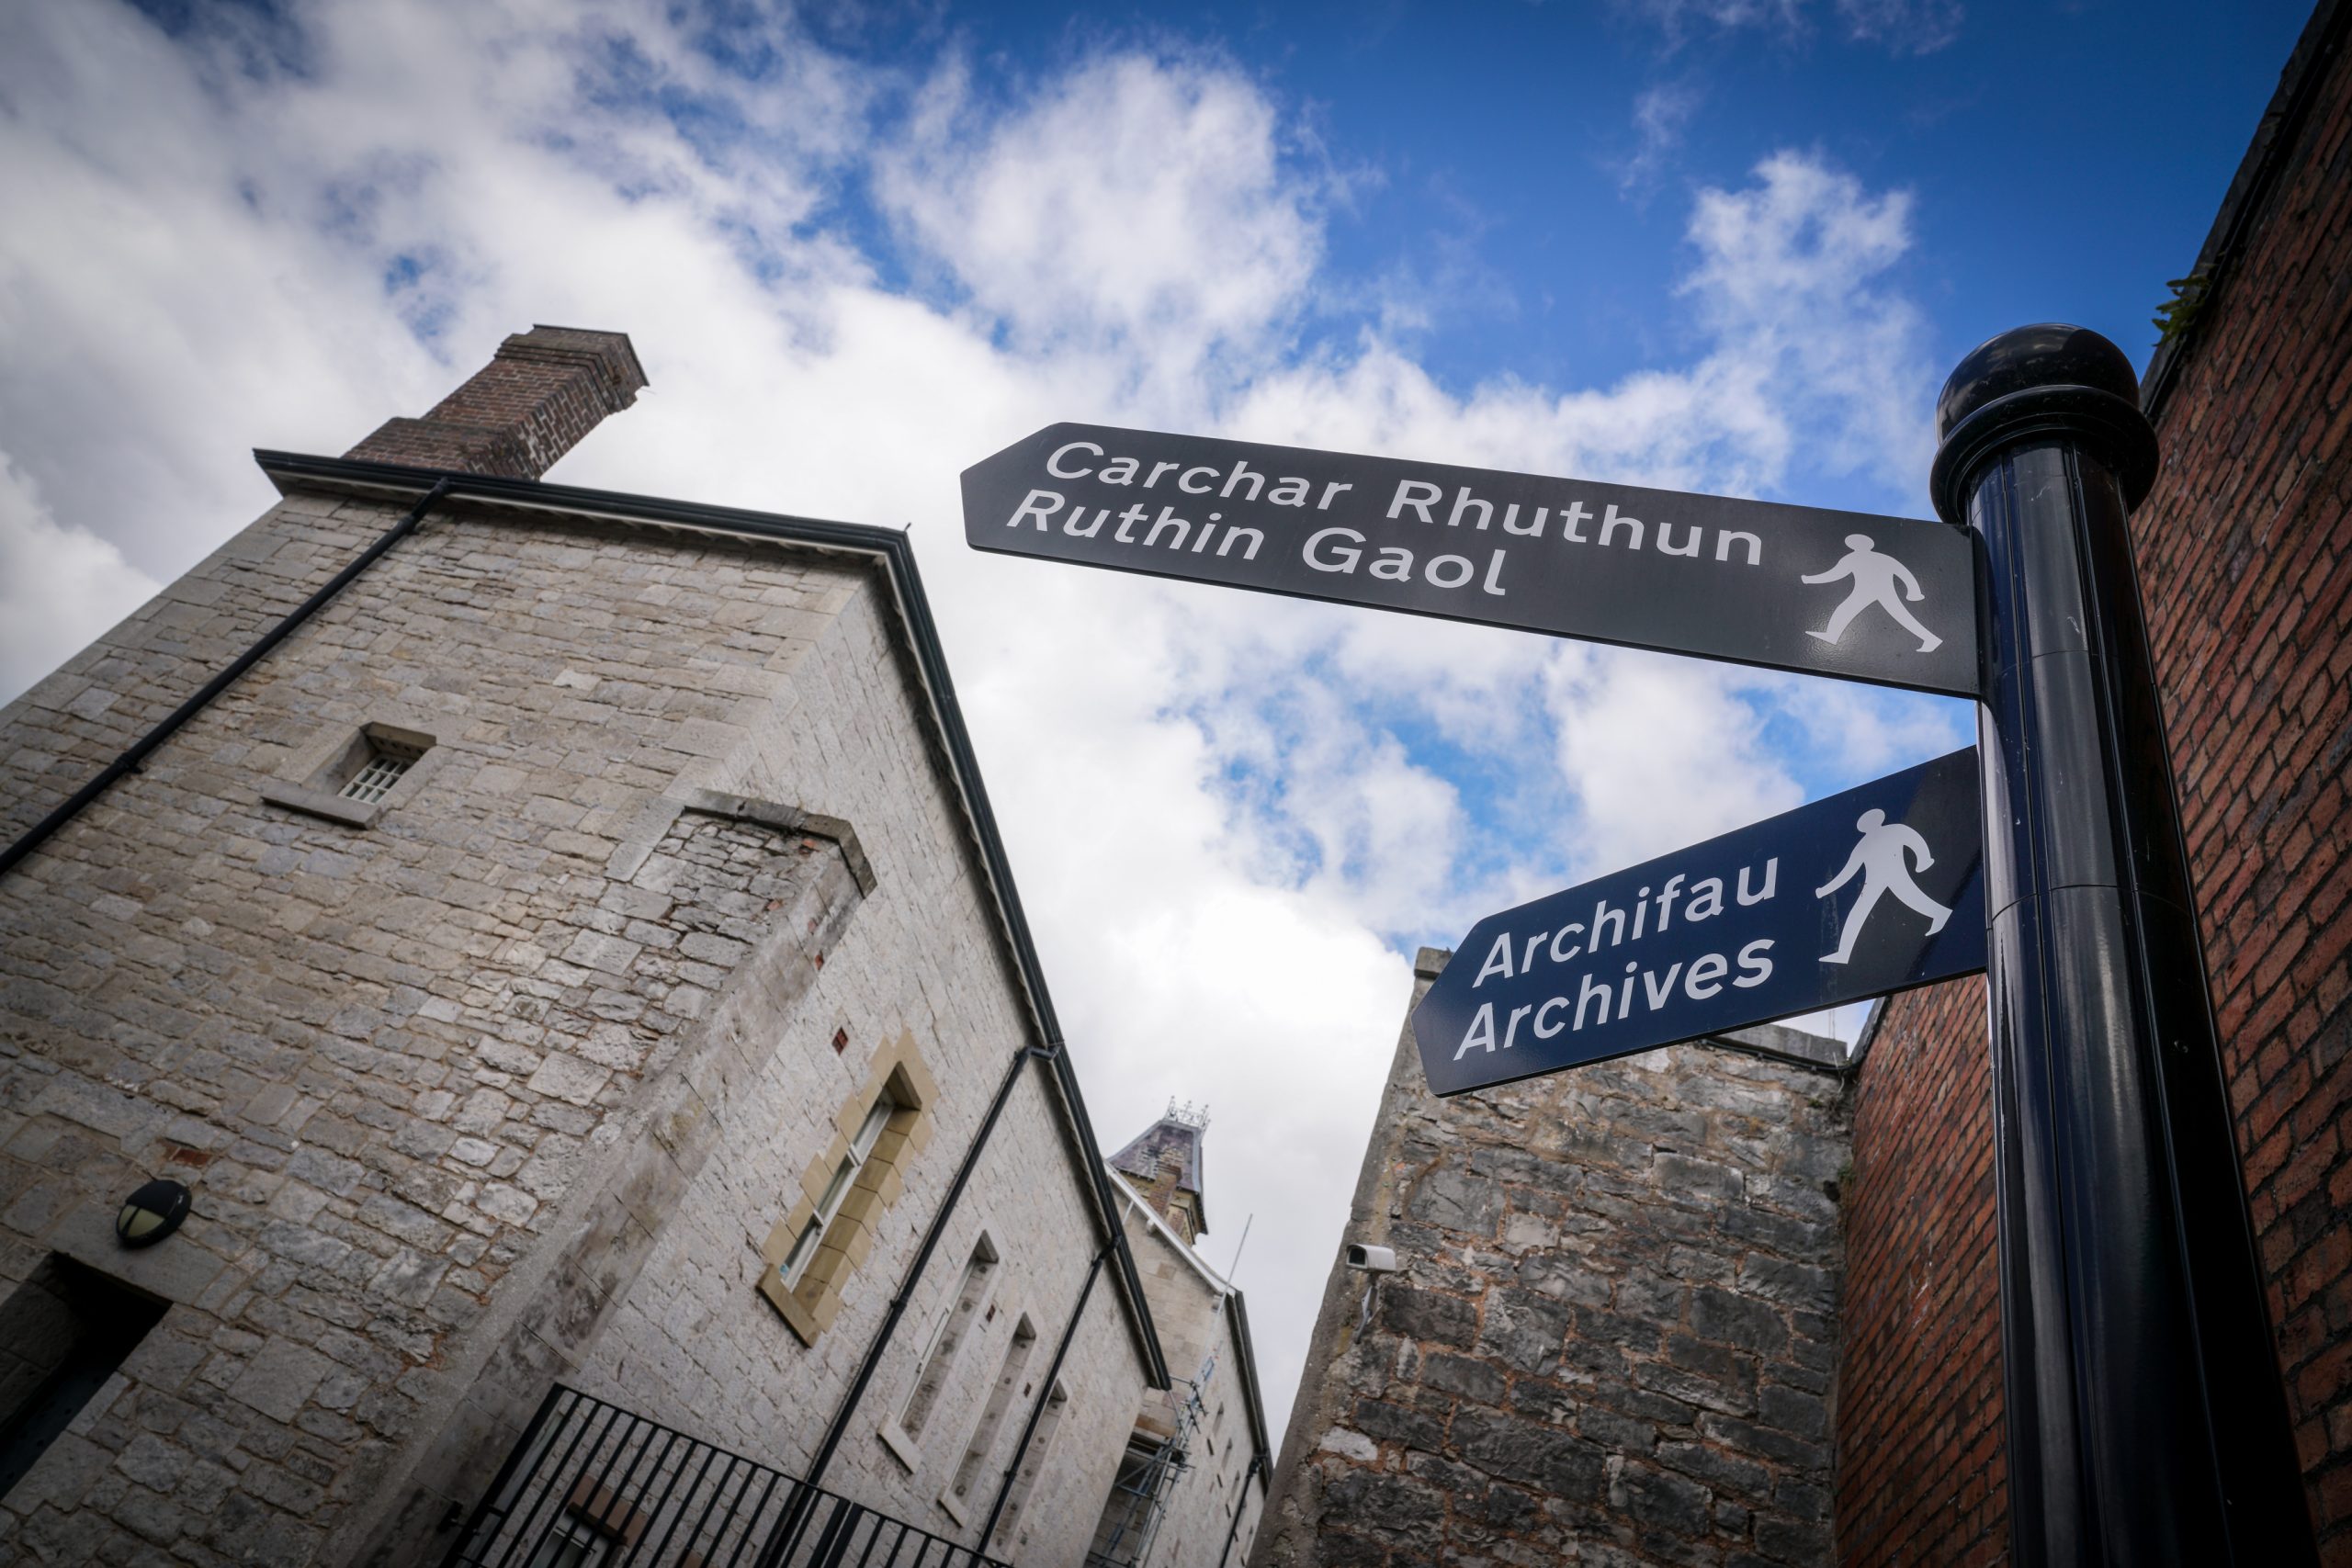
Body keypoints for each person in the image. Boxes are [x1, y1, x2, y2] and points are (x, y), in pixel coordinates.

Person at [1816, 807, 1951, 964]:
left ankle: (1941, 914)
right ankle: (1843, 954)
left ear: (1878, 820)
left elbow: (1914, 840)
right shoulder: (1863, 845)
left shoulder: (1894, 830)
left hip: (1896, 874)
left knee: (1914, 899)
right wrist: (1824, 890)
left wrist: (1924, 859)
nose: (1870, 826)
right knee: (1857, 914)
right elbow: (1847, 873)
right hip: (1874, 881)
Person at [1802, 534, 1942, 654]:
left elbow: (1903, 572)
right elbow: (1834, 574)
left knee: (1902, 617)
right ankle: (1832, 635)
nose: (1856, 545)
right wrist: (1810, 579)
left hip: (1881, 591)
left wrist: (1914, 591)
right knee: (1844, 610)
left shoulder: (1877, 558)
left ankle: (1931, 639)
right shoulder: (1853, 558)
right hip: (1865, 591)